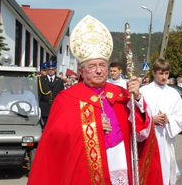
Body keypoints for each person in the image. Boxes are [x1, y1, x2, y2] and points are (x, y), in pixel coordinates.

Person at [28, 15, 163, 185]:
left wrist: (137, 98)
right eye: (92, 66)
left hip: (120, 161)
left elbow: (142, 133)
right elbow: (57, 141)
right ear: (81, 71)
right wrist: (94, 126)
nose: (99, 71)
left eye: (102, 65)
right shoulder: (67, 99)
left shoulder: (122, 94)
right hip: (84, 172)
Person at [139, 58, 182, 185]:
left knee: (165, 170)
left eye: (166, 73)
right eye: (161, 73)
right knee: (149, 170)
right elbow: (137, 115)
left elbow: (181, 115)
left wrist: (168, 119)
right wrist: (152, 119)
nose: (164, 77)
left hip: (165, 138)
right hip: (149, 137)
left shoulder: (173, 93)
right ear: (153, 73)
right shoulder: (144, 91)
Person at [38, 60, 64, 128]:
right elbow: (38, 95)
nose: (50, 71)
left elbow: (62, 96)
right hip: (44, 109)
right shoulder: (41, 80)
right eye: (49, 69)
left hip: (55, 109)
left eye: (52, 69)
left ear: (55, 70)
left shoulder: (59, 81)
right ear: (46, 70)